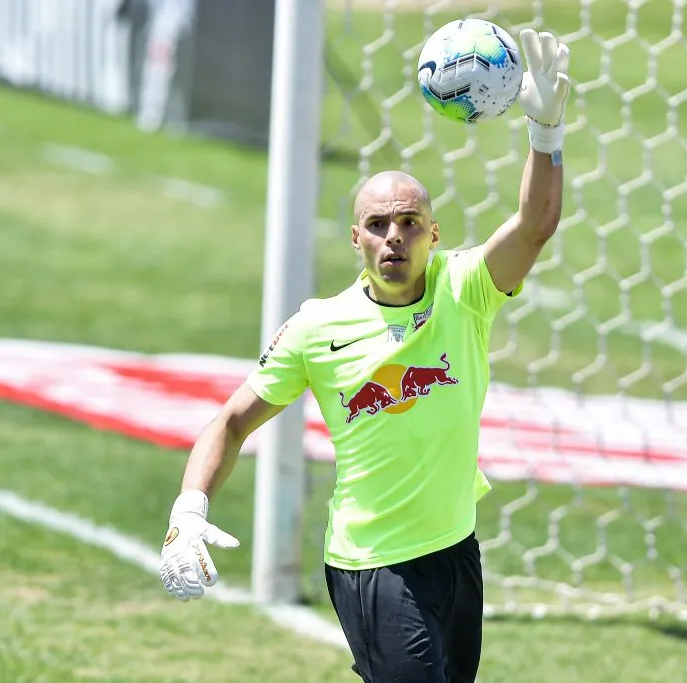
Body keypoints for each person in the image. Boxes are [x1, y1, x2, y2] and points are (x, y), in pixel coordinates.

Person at [159, 28, 572, 683]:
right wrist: (190, 508)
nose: (393, 237)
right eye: (378, 225)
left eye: (409, 221)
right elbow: (232, 421)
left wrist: (545, 133)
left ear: (434, 234)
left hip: (457, 551)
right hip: (372, 564)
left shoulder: (465, 289)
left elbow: (534, 225)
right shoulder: (317, 329)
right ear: (356, 238)